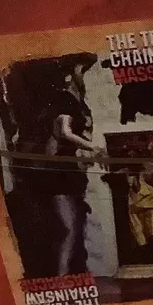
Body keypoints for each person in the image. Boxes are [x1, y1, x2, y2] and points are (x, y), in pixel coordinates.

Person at [35, 55, 101, 276]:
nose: (87, 76)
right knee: (68, 229)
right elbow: (65, 132)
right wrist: (92, 146)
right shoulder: (64, 99)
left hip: (70, 170)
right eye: (84, 71)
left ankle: (66, 277)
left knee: (74, 228)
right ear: (72, 74)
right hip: (59, 171)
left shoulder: (78, 102)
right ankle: (60, 280)